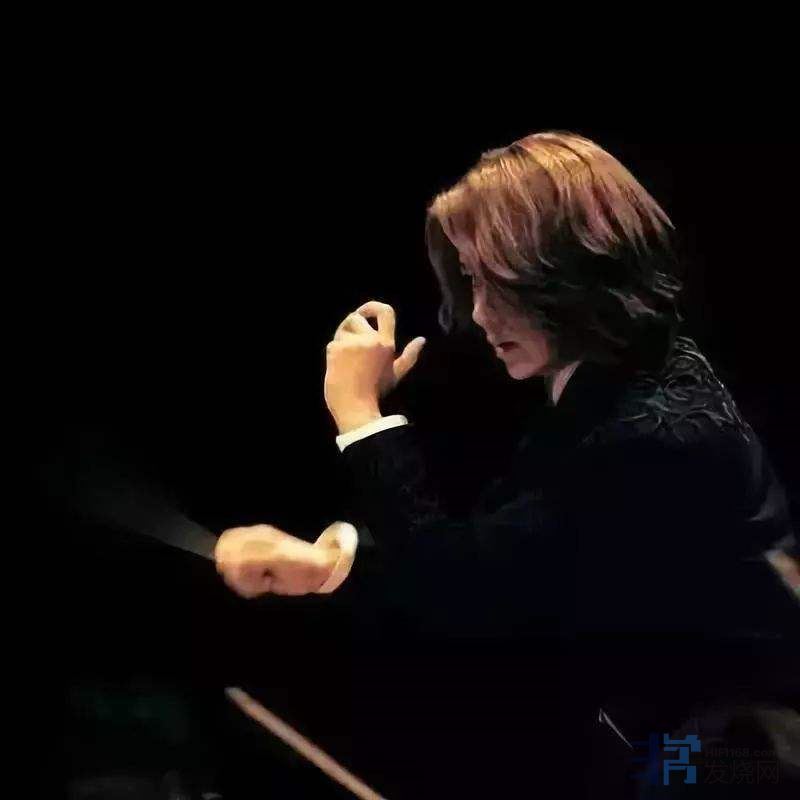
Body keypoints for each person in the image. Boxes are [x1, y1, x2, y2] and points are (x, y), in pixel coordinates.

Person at [215, 133, 799, 795]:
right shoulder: (613, 371)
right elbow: (497, 558)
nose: (480, 313)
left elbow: (460, 596)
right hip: (662, 732)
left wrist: (357, 413)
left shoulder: (653, 432)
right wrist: (326, 565)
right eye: (472, 278)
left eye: (499, 281)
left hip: (741, 760)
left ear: (572, 270)